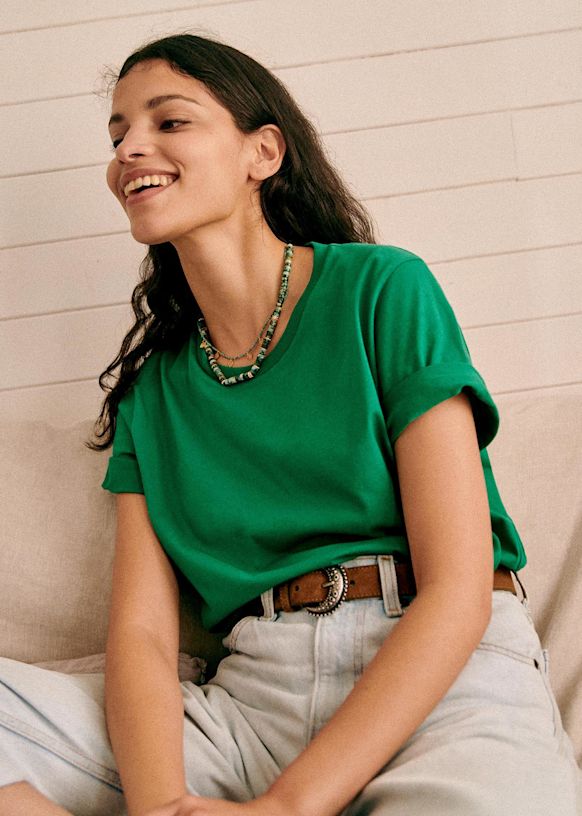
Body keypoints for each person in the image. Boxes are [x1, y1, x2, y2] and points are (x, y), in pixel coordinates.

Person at [0, 31, 580, 816]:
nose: (130, 148)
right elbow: (141, 638)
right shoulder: (151, 391)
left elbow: (457, 589)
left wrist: (285, 808)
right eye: (118, 134)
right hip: (253, 701)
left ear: (263, 152)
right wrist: (162, 807)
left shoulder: (383, 290)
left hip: (445, 683)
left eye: (169, 121)